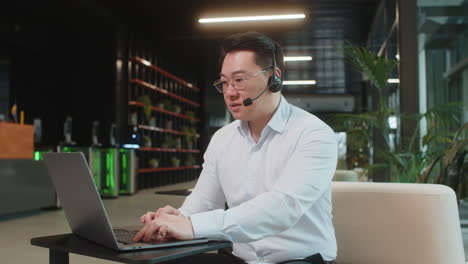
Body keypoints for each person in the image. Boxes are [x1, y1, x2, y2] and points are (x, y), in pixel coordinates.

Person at [133, 32, 338, 264]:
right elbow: (205, 202)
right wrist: (176, 219)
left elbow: (283, 208)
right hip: (240, 258)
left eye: (239, 80)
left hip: (298, 259)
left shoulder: (313, 134)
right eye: (224, 82)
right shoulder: (223, 139)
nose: (230, 92)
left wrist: (191, 225)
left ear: (274, 77)